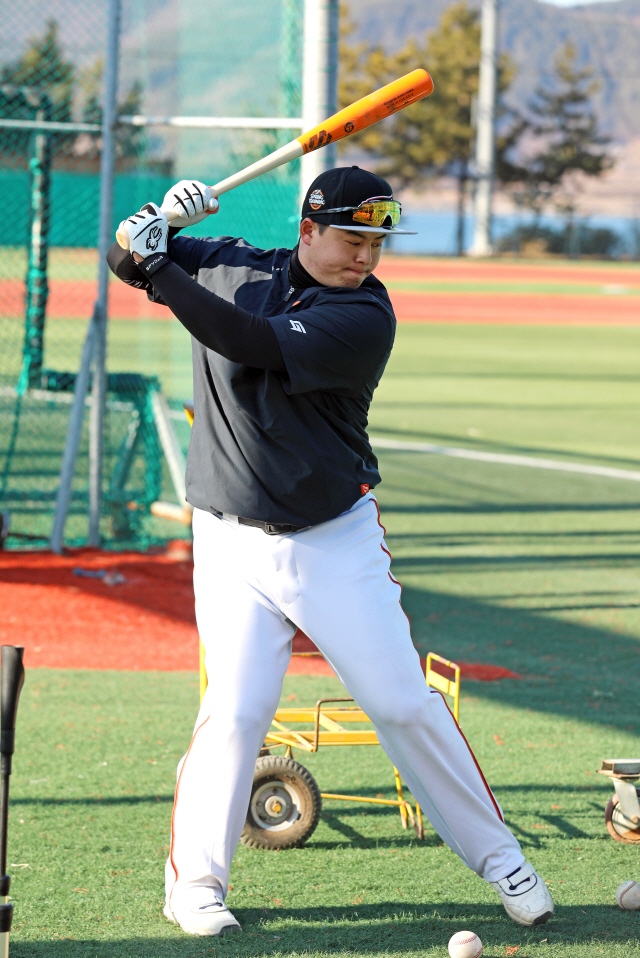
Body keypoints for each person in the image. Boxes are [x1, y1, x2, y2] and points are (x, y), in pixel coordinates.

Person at [108, 166, 554, 938]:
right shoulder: (232, 260)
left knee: (402, 703)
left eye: (377, 243)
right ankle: (197, 888)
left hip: (331, 541)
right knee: (235, 712)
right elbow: (125, 259)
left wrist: (159, 259)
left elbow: (244, 341)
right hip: (227, 539)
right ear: (307, 230)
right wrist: (157, 228)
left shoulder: (363, 315)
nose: (366, 257)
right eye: (352, 239)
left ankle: (502, 860)